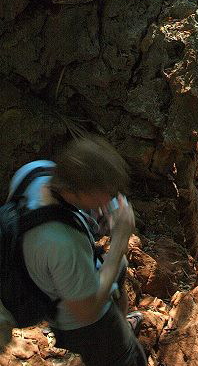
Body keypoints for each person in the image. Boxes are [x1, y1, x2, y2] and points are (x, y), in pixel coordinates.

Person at [8, 136, 146, 366]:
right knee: (129, 359)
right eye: (106, 193)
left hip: (61, 272)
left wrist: (107, 206)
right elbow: (87, 311)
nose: (111, 197)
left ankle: (121, 324)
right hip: (82, 323)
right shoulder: (62, 243)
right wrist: (120, 240)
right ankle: (116, 343)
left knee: (119, 268)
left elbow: (77, 205)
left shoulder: (36, 171)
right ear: (84, 193)